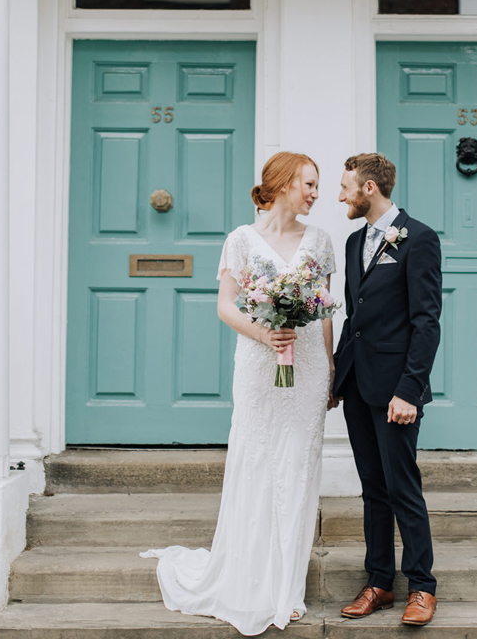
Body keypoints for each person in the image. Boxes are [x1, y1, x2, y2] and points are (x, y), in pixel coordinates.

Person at [142, 151, 339, 636]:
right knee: (258, 463)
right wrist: (262, 334)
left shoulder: (321, 241)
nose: (315, 192)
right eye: (309, 183)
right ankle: (248, 581)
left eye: (318, 185)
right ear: (283, 182)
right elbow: (225, 306)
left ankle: (286, 589)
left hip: (308, 366)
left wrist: (332, 369)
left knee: (297, 469)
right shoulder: (242, 240)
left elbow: (328, 310)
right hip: (259, 364)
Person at [332, 152, 441, 627]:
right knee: (372, 489)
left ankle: (421, 586)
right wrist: (337, 379)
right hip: (358, 386)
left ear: (369, 188)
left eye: (345, 187)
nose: (340, 196)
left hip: (397, 390)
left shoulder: (419, 239)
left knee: (402, 488)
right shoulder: (356, 241)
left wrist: (410, 391)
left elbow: (426, 322)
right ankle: (379, 582)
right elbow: (353, 320)